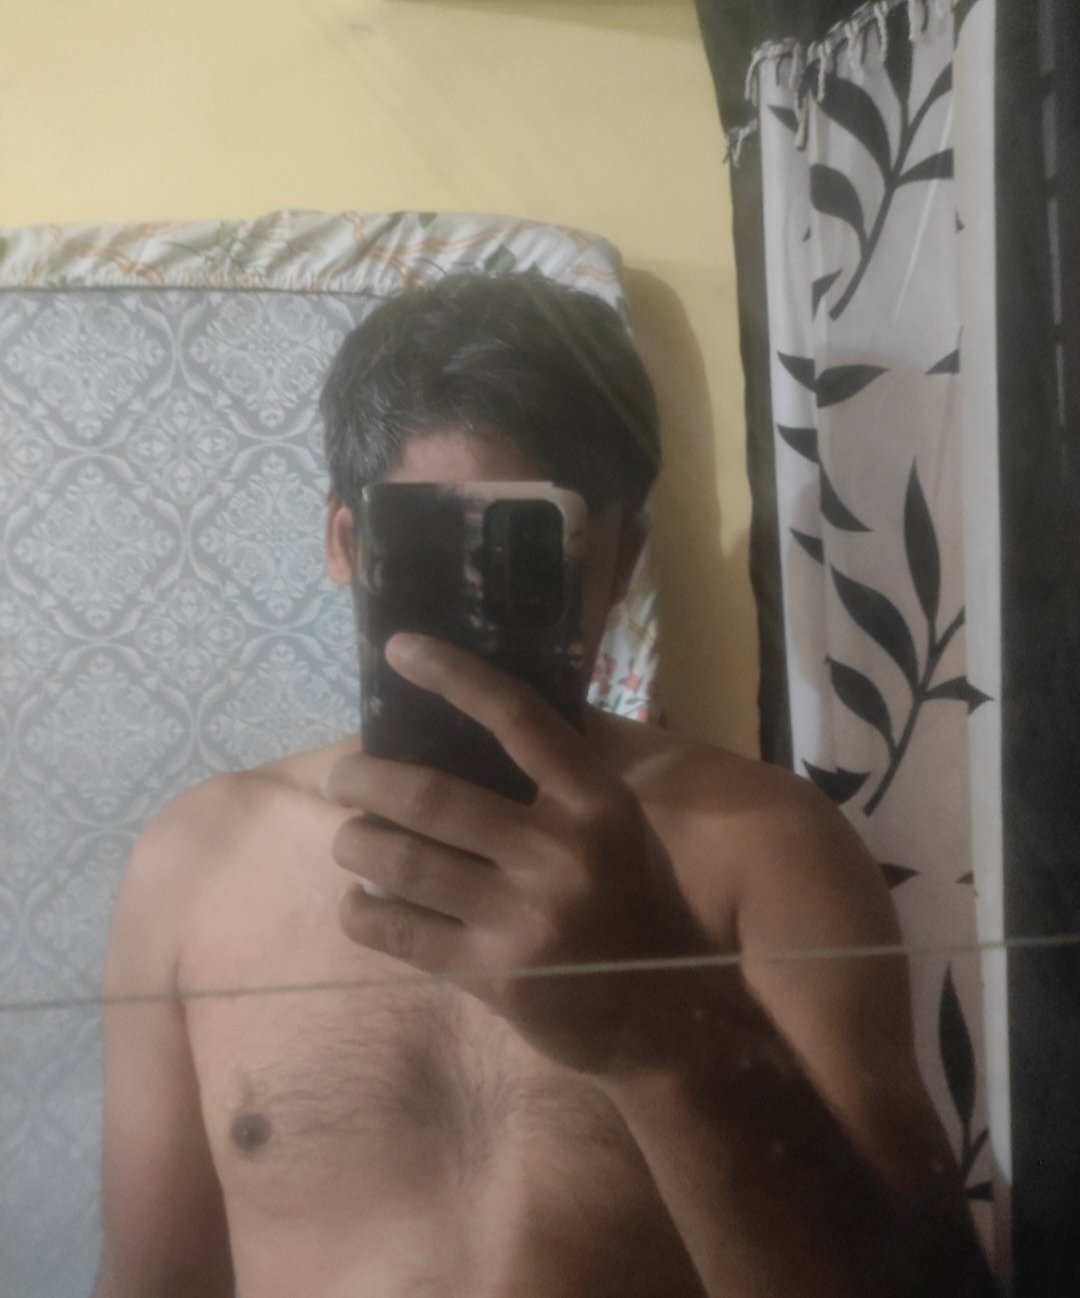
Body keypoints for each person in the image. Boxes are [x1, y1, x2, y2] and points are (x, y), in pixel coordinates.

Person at [92, 274, 996, 1298]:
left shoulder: (766, 845)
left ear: (621, 564)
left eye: (532, 552)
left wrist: (670, 1032)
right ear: (347, 544)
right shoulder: (196, 863)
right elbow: (155, 1280)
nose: (481, 608)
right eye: (436, 548)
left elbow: (937, 1290)